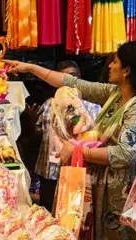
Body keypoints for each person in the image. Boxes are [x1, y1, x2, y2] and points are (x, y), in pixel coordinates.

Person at [5, 41, 136, 240]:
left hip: (119, 196)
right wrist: (29, 68)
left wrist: (79, 150)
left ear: (127, 70)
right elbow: (69, 82)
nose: (110, 65)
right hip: (98, 188)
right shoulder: (114, 94)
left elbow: (126, 154)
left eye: (115, 61)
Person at [33, 60, 101, 213]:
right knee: (48, 214)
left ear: (79, 79)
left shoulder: (92, 107)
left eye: (73, 76)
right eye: (63, 78)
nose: (68, 82)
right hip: (49, 170)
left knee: (72, 215)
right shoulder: (48, 105)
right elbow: (39, 131)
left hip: (77, 170)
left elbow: (97, 137)